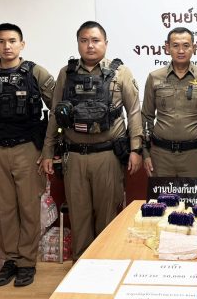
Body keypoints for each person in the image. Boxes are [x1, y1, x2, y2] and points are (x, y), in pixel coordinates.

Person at [40, 21, 143, 261]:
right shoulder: (66, 73)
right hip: (74, 157)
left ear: (105, 43)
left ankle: (106, 263)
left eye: (95, 40)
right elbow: (55, 113)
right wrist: (47, 151)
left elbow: (134, 112)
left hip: (108, 156)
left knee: (107, 215)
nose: (90, 45)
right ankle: (81, 266)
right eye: (84, 40)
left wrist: (136, 149)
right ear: (78, 43)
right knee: (79, 216)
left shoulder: (121, 73)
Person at [0, 23, 55, 287]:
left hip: (27, 149)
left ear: (22, 44)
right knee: (4, 209)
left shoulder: (36, 73)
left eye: (12, 41)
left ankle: (27, 262)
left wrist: (48, 149)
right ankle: (10, 260)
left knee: (29, 207)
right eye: (1, 41)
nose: (7, 46)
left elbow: (58, 110)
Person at [141, 27, 197, 177]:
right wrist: (145, 154)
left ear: (194, 48)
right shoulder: (154, 77)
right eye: (175, 45)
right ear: (167, 48)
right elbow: (146, 117)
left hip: (194, 156)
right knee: (162, 193)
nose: (181, 50)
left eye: (186, 45)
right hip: (161, 156)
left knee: (194, 194)